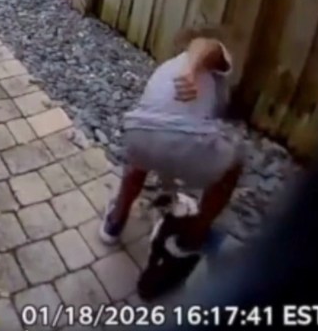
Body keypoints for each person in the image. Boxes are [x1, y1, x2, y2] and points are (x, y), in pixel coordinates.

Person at [100, 26, 244, 279]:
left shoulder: (165, 68)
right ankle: (193, 237)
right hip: (186, 144)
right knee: (234, 164)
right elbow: (205, 45)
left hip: (141, 134)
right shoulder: (206, 56)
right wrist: (192, 70)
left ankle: (116, 218)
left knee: (142, 155)